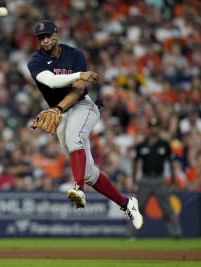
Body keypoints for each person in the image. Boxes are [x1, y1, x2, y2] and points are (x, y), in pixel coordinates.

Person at [27, 19, 143, 230]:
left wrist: (58, 108)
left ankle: (78, 189)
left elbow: (78, 90)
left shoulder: (75, 55)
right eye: (41, 38)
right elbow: (52, 81)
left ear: (56, 35)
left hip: (83, 106)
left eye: (48, 36)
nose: (45, 40)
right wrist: (77, 77)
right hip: (60, 113)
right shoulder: (35, 62)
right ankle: (127, 204)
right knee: (89, 173)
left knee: (75, 138)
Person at [131, 118, 182, 238]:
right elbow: (135, 164)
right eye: (152, 127)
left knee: (168, 208)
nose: (154, 129)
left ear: (159, 129)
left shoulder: (164, 145)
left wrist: (173, 181)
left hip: (160, 179)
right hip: (145, 179)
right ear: (149, 129)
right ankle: (129, 235)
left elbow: (171, 163)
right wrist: (134, 181)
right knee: (138, 209)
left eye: (156, 127)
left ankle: (176, 234)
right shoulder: (141, 145)